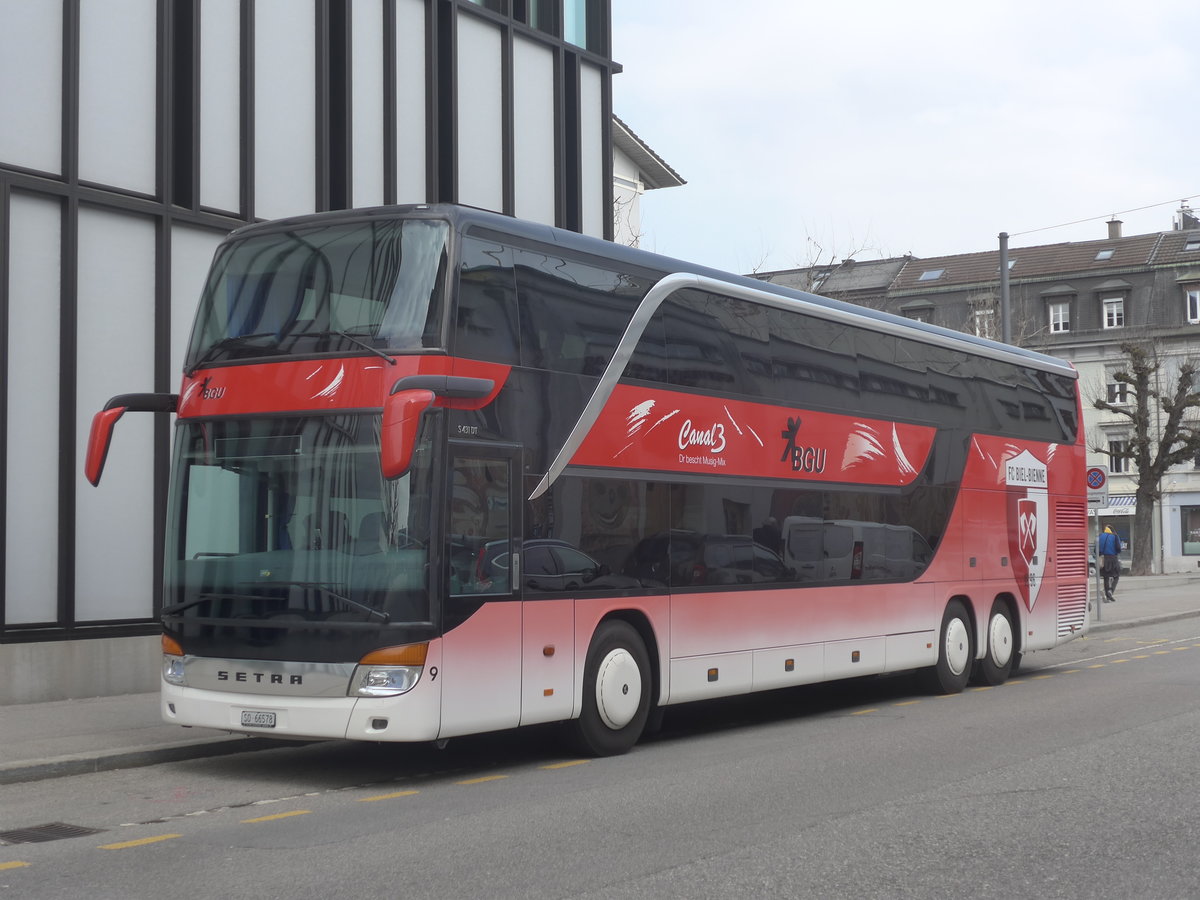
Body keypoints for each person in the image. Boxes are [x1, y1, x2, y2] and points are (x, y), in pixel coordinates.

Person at [1097, 525, 1121, 602]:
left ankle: (1108, 597)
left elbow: (1095, 549)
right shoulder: (1115, 536)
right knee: (1116, 576)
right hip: (1113, 558)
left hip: (1103, 559)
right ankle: (1111, 590)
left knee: (1106, 577)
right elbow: (1118, 549)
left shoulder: (1100, 536)